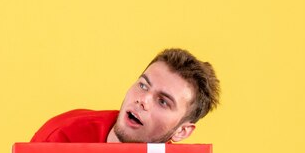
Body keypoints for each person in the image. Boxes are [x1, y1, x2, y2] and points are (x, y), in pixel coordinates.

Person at [31, 48, 220, 143]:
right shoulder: (60, 137)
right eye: (144, 85)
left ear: (181, 131)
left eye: (162, 101)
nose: (143, 100)